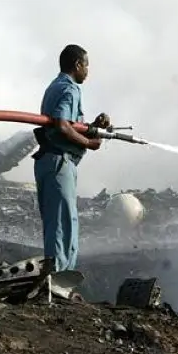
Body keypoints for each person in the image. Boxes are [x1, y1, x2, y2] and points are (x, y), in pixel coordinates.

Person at [33, 44, 110, 271]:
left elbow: (65, 124)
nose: (87, 71)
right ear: (77, 65)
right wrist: (89, 143)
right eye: (86, 65)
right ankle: (59, 276)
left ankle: (57, 273)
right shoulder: (70, 88)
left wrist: (94, 126)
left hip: (50, 160)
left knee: (57, 221)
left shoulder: (54, 86)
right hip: (60, 162)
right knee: (63, 223)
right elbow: (62, 125)